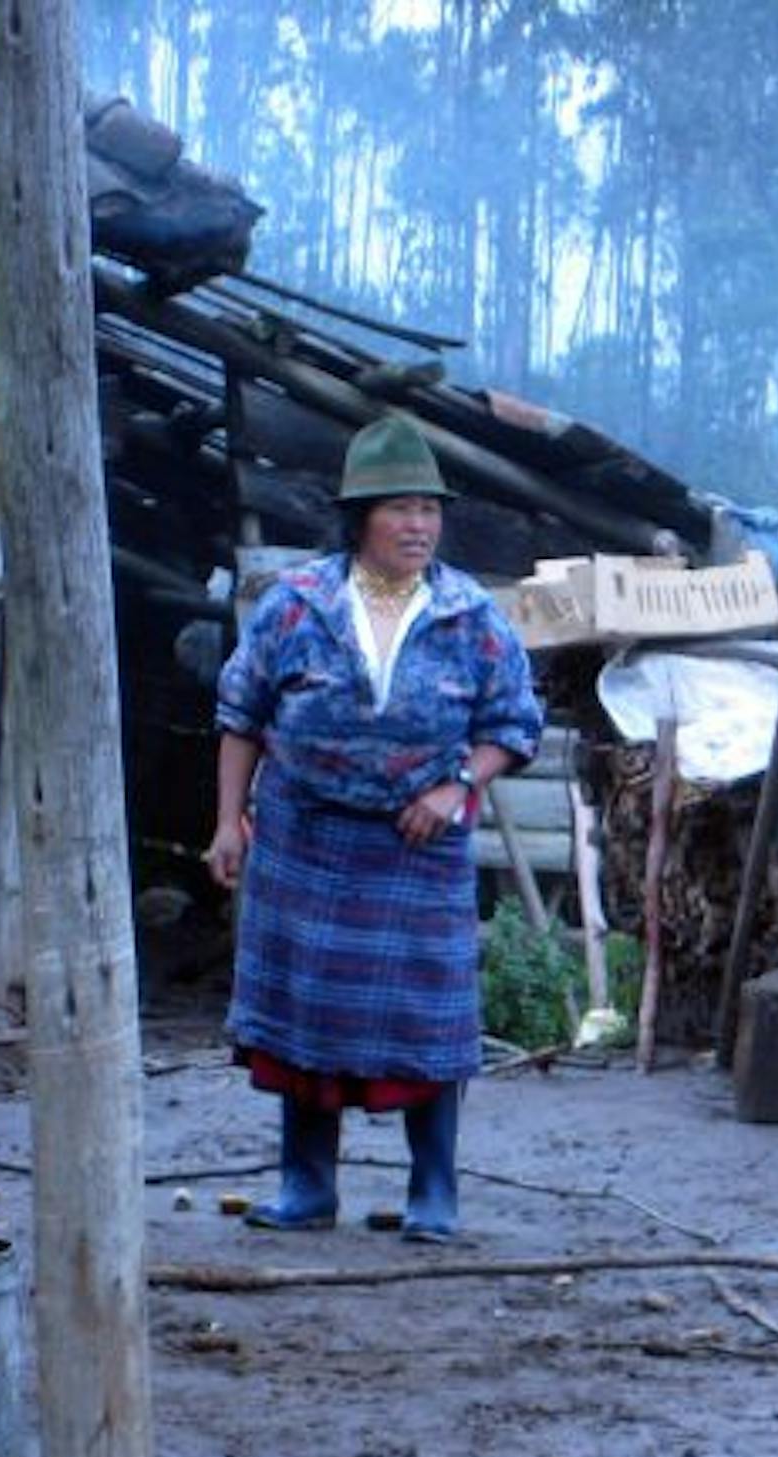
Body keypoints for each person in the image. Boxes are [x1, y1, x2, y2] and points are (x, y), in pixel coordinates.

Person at [204, 413, 544, 1243]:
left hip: (417, 847)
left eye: (430, 510)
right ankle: (306, 1188)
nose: (419, 526)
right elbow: (240, 714)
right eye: (400, 509)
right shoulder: (297, 605)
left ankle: (435, 1193)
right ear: (358, 519)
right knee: (303, 1016)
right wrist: (227, 824)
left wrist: (456, 786)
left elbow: (514, 724)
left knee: (428, 1021)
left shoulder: (470, 615)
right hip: (303, 842)